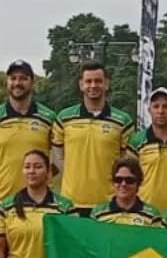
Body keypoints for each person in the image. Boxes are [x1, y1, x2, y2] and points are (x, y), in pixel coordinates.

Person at [52, 63, 134, 211]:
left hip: (108, 204)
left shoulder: (123, 121)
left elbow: (126, 161)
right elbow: (57, 154)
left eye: (98, 81)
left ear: (107, 84)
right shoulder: (64, 118)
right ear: (81, 85)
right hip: (71, 202)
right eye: (88, 81)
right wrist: (73, 173)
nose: (93, 85)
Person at [0, 60, 58, 203]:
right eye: (13, 78)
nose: (17, 83)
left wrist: (43, 175)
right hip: (4, 200)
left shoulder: (49, 118)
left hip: (42, 201)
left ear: (32, 82)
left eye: (23, 78)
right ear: (7, 82)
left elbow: (58, 161)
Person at [89, 158, 164, 226]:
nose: (123, 184)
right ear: (113, 183)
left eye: (129, 180)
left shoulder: (152, 215)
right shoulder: (97, 214)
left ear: (138, 183)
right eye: (118, 180)